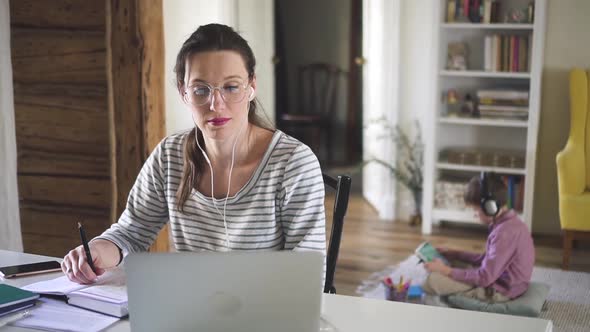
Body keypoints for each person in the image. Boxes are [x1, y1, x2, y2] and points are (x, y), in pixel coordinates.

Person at [61, 24, 326, 284]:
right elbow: (131, 232)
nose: (215, 104)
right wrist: (96, 251)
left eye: (231, 87)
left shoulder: (294, 164)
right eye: (201, 89)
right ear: (183, 92)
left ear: (251, 87)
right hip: (190, 308)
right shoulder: (169, 155)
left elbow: (306, 274)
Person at [422, 172, 534, 302]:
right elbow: (487, 260)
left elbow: (485, 277)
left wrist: (446, 271)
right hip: (500, 279)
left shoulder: (504, 233)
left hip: (500, 290)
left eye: (476, 210)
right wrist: (455, 254)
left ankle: (465, 293)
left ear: (490, 207)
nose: (475, 215)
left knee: (431, 281)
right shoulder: (508, 223)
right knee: (454, 262)